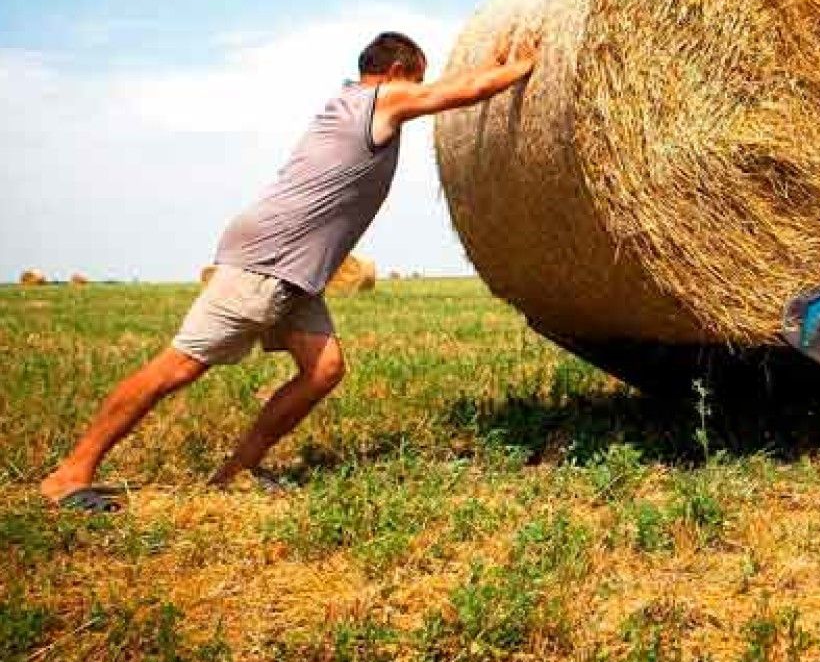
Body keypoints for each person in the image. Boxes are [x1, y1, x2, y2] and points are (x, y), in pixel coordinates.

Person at [39, 30, 537, 511]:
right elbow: (458, 93)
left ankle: (236, 473)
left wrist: (490, 62)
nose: (418, 94)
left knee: (323, 370)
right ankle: (71, 474)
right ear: (397, 72)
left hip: (296, 269)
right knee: (179, 366)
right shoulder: (376, 102)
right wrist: (519, 69)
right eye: (416, 81)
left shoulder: (350, 105)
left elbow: (452, 87)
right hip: (269, 260)